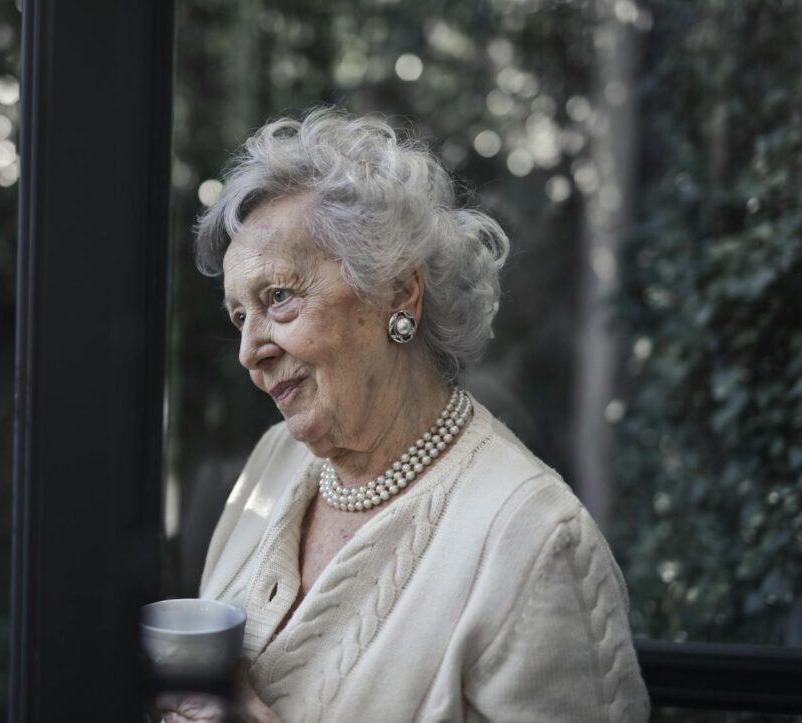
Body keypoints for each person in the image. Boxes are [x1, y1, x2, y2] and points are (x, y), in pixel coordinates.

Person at [162, 109, 649, 722]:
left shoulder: (534, 543)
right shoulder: (271, 463)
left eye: (278, 298)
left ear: (399, 293)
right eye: (239, 316)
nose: (248, 351)